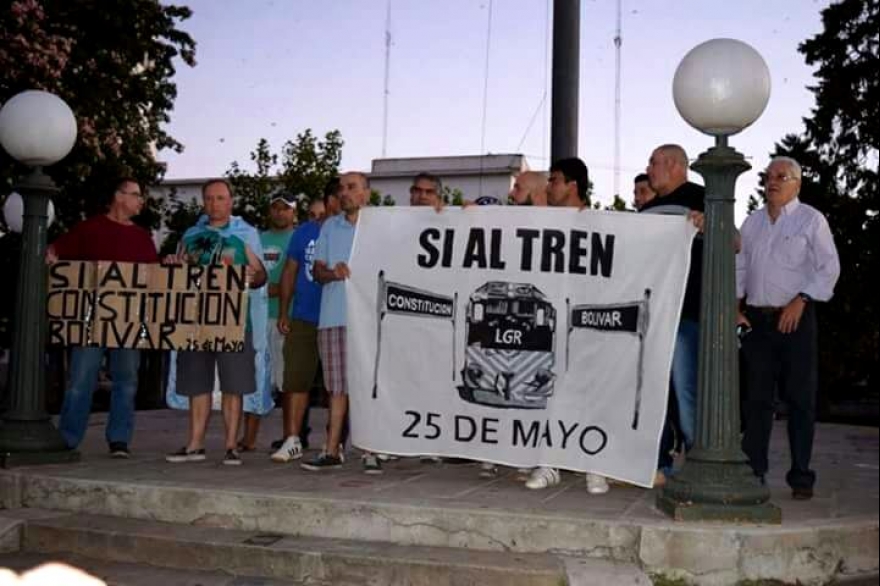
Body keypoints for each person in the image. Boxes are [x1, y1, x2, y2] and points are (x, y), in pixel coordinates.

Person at [736, 156, 840, 500]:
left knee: (800, 399)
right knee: (756, 400)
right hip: (758, 322)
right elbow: (739, 267)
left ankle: (801, 477)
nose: (773, 182)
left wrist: (803, 298)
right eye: (769, 176)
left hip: (796, 319)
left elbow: (829, 268)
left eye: (782, 176)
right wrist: (735, 306)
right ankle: (755, 471)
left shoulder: (812, 220)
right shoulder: (751, 223)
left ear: (797, 183)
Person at [47, 177, 158, 458]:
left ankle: (119, 439)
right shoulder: (89, 229)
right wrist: (50, 257)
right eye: (136, 195)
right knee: (81, 380)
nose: (140, 201)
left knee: (127, 381)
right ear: (119, 197)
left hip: (129, 324)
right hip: (90, 322)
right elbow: (57, 253)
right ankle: (68, 438)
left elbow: (154, 279)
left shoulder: (143, 237)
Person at [164, 179, 268, 466]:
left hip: (234, 320)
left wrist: (251, 275)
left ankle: (231, 446)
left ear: (230, 201)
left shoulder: (245, 235)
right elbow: (179, 276)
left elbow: (261, 276)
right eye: (209, 198)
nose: (214, 203)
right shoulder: (190, 236)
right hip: (196, 321)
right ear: (204, 202)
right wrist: (173, 266)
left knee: (234, 385)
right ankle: (194, 444)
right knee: (198, 384)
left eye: (220, 198)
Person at [524, 157, 610, 495]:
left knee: (592, 391)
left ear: (572, 185)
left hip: (587, 323)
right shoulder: (541, 223)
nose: (549, 187)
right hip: (547, 323)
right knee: (549, 391)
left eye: (554, 180)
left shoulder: (601, 223)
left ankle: (596, 463)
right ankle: (550, 463)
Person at [301, 171, 381, 474]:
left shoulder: (381, 226)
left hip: (370, 319)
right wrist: (334, 273)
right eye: (342, 188)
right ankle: (331, 450)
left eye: (352, 187)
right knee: (337, 390)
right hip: (333, 317)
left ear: (366, 194)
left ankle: (371, 451)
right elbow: (317, 272)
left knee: (368, 387)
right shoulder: (328, 228)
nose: (345, 193)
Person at [642, 145, 704, 466]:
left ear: (675, 164)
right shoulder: (648, 210)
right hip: (654, 316)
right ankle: (660, 461)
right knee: (656, 391)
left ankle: (699, 462)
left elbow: (735, 244)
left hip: (688, 313)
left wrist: (710, 224)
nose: (649, 168)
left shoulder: (704, 197)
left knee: (685, 389)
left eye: (653, 162)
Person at [238, 193, 300, 452]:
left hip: (285, 317)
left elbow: (295, 280)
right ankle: (248, 439)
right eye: (274, 208)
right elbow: (244, 276)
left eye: (284, 209)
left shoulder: (298, 239)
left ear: (294, 212)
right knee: (253, 379)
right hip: (254, 317)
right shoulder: (256, 239)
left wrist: (276, 289)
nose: (279, 213)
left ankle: (289, 437)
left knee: (286, 381)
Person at [271, 195, 329, 463]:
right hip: (303, 316)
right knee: (295, 380)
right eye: (312, 214)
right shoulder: (302, 233)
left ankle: (335, 442)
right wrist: (284, 311)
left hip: (336, 317)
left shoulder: (348, 230)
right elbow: (289, 272)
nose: (317, 218)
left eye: (322, 213)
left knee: (339, 386)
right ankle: (292, 439)